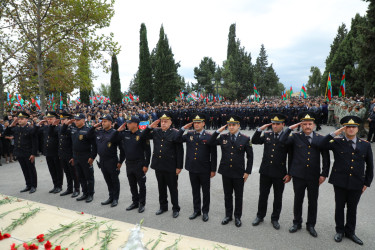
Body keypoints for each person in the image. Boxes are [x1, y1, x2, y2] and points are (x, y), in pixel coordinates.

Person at [319, 116, 373, 245]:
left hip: (357, 182)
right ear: (344, 128)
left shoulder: (365, 145)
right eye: (348, 127)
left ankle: (350, 232)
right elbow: (322, 145)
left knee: (352, 208)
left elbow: (370, 166)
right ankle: (339, 231)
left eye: (353, 127)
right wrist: (336, 132)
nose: (351, 129)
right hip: (340, 181)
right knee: (339, 207)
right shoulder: (337, 142)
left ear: (357, 128)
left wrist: (366, 183)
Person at [279, 112, 330, 237]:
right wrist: (290, 128)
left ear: (314, 125)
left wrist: (324, 174)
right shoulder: (295, 136)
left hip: (314, 176)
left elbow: (326, 157)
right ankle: (296, 222)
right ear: (301, 125)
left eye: (310, 124)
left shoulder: (320, 138)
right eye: (304, 124)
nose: (307, 126)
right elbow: (282, 140)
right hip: (299, 175)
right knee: (298, 200)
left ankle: (311, 225)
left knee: (313, 201)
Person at [208, 115, 253, 227]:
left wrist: (247, 171)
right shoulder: (223, 137)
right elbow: (210, 142)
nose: (231, 127)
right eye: (229, 125)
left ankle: (237, 217)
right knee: (227, 195)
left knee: (238, 196)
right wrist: (218, 131)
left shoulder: (245, 138)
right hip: (226, 171)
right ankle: (228, 215)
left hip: (239, 172)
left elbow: (250, 157)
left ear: (238, 126)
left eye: (234, 125)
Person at [251, 113, 292, 230]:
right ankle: (260, 216)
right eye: (273, 124)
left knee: (278, 197)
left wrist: (289, 174)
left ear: (283, 125)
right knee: (263, 195)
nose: (274, 126)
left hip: (280, 173)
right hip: (265, 171)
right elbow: (254, 141)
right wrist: (260, 130)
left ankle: (275, 218)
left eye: (277, 124)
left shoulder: (288, 137)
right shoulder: (267, 134)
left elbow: (291, 157)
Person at [140, 112, 184, 218]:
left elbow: (180, 151)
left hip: (171, 166)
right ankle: (163, 206)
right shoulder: (155, 131)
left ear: (170, 122)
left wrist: (179, 166)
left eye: (166, 121)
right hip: (158, 165)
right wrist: (150, 127)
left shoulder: (175, 133)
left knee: (173, 188)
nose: (163, 123)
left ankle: (175, 208)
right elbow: (142, 136)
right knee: (161, 187)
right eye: (162, 121)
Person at [175, 113, 217, 222]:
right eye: (195, 123)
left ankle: (205, 212)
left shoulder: (209, 136)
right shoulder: (189, 134)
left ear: (203, 123)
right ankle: (196, 210)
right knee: (195, 190)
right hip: (192, 167)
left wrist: (213, 169)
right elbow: (177, 139)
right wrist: (183, 128)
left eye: (199, 123)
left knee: (205, 191)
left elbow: (214, 154)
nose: (196, 124)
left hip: (205, 168)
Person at [118, 116, 151, 213]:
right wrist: (119, 130)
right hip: (129, 163)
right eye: (127, 122)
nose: (127, 124)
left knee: (141, 185)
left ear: (136, 124)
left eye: (129, 123)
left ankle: (142, 203)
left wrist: (146, 165)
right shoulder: (125, 134)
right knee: (132, 184)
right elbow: (113, 138)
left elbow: (148, 151)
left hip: (139, 163)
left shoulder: (142, 135)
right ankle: (135, 202)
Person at [63, 113, 96, 203]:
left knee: (88, 177)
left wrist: (92, 157)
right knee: (80, 176)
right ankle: (84, 193)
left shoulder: (88, 130)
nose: (76, 121)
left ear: (83, 120)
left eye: (78, 120)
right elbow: (63, 132)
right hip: (76, 156)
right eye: (75, 120)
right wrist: (66, 124)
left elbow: (94, 145)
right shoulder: (73, 129)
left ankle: (90, 194)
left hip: (86, 156)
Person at [94, 114, 123, 207]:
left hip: (112, 160)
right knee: (108, 180)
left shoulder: (115, 133)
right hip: (102, 161)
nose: (103, 123)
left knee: (114, 180)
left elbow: (122, 149)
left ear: (110, 122)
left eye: (105, 121)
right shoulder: (99, 132)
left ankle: (115, 198)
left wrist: (120, 161)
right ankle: (110, 197)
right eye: (102, 121)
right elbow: (89, 135)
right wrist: (94, 126)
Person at [6, 112, 38, 193]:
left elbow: (35, 142)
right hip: (19, 153)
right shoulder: (16, 128)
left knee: (31, 169)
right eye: (19, 119)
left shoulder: (30, 129)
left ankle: (33, 186)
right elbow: (6, 133)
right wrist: (13, 122)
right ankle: (28, 185)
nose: (20, 120)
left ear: (26, 119)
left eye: (22, 119)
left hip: (28, 153)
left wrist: (33, 154)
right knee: (24, 169)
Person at [37, 112, 63, 194]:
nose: (49, 120)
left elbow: (59, 141)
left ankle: (59, 186)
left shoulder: (58, 128)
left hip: (56, 152)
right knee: (52, 170)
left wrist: (60, 153)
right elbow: (35, 132)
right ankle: (55, 185)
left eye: (51, 119)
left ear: (55, 119)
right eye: (48, 119)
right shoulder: (45, 127)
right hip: (48, 152)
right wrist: (38, 124)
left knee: (58, 170)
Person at [57, 112, 80, 198]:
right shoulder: (61, 128)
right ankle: (69, 188)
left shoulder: (72, 128)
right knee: (67, 173)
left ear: (69, 120)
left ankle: (77, 189)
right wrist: (60, 154)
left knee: (74, 173)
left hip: (70, 155)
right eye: (61, 120)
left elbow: (73, 144)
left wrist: (73, 156)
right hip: (63, 154)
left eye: (64, 120)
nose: (62, 121)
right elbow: (60, 142)